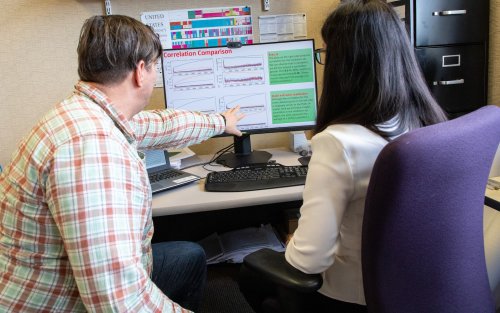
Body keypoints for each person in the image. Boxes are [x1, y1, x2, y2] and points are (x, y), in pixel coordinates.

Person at [0, 15, 244, 312]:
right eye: (155, 67)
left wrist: (220, 122)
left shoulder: (87, 111)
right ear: (141, 71)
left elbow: (158, 125)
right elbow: (118, 303)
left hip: (71, 280)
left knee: (189, 256)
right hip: (58, 301)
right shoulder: (92, 148)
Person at [239, 1, 447, 312]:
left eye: (326, 55)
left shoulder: (338, 142)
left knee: (250, 273)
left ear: (346, 65)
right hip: (415, 288)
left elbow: (309, 260)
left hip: (351, 295)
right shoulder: (426, 121)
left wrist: (294, 239)